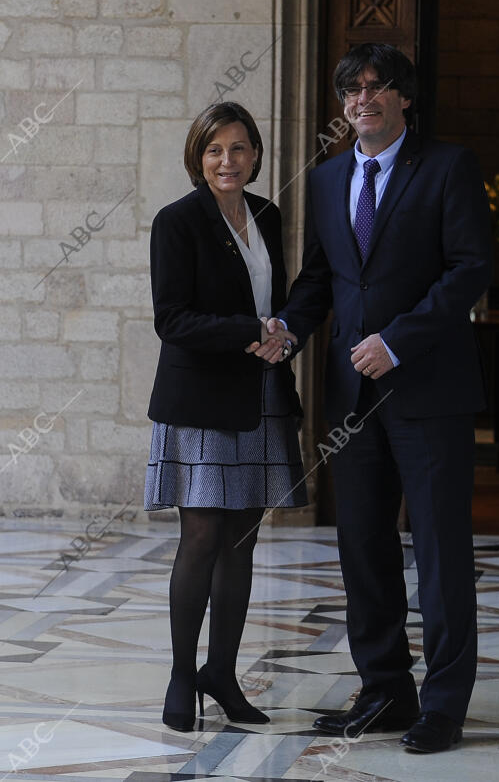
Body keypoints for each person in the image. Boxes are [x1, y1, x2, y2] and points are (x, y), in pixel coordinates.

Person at [250, 43, 492, 753]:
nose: (364, 99)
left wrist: (398, 340)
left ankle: (444, 705)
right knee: (363, 548)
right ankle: (386, 690)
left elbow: (467, 270)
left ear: (404, 98)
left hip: (429, 392)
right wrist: (290, 330)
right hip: (351, 400)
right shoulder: (327, 179)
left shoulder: (447, 167)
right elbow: (321, 279)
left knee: (441, 552)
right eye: (351, 90)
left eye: (377, 86)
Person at [145, 101, 307, 733]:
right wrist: (249, 331)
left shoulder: (267, 214)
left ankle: (222, 673)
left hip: (263, 394)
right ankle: (183, 677)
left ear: (256, 154)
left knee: (242, 541)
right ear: (198, 157)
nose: (227, 161)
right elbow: (172, 319)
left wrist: (283, 334)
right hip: (202, 402)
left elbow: (283, 301)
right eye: (214, 150)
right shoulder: (177, 222)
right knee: (202, 538)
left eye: (239, 149)